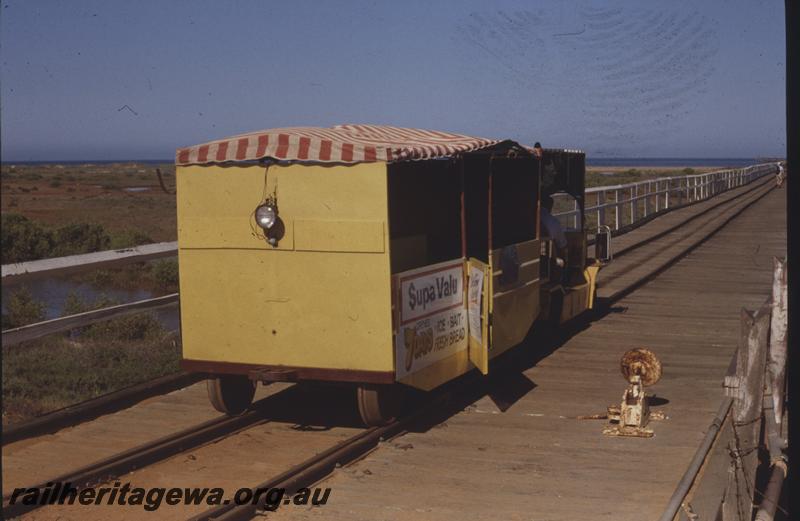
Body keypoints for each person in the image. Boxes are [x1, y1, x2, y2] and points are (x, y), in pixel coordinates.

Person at [540, 194, 567, 270]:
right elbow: (562, 244)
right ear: (550, 207)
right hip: (545, 259)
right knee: (562, 260)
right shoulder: (553, 221)